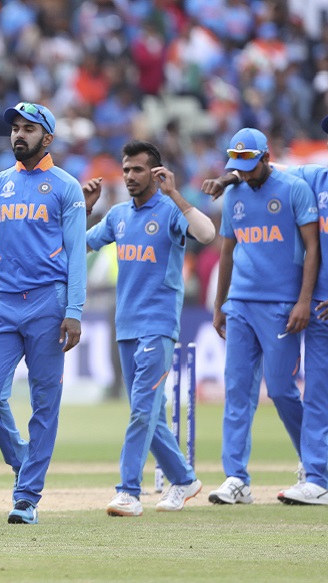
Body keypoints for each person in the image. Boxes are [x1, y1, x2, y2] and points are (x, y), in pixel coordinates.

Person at [0, 102, 87, 524]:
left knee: (44, 403)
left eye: (28, 129)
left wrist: (74, 309)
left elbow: (77, 253)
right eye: (15, 129)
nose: (18, 135)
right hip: (3, 302)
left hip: (49, 302)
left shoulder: (65, 187)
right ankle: (24, 462)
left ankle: (26, 497)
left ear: (47, 138)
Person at [203, 110, 328, 506]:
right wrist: (228, 177)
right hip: (310, 308)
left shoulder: (301, 187)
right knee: (305, 395)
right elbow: (264, 173)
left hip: (327, 303)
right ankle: (307, 477)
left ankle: (312, 468)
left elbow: (312, 245)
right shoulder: (314, 178)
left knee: (285, 388)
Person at [84, 141, 215, 517]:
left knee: (142, 410)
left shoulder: (171, 210)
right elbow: (79, 244)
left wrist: (175, 193)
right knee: (151, 414)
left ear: (156, 173)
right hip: (125, 326)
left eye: (137, 170)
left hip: (157, 327)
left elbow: (206, 235)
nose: (129, 176)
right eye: (126, 169)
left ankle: (128, 492)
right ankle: (185, 479)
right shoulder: (119, 215)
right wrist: (84, 210)